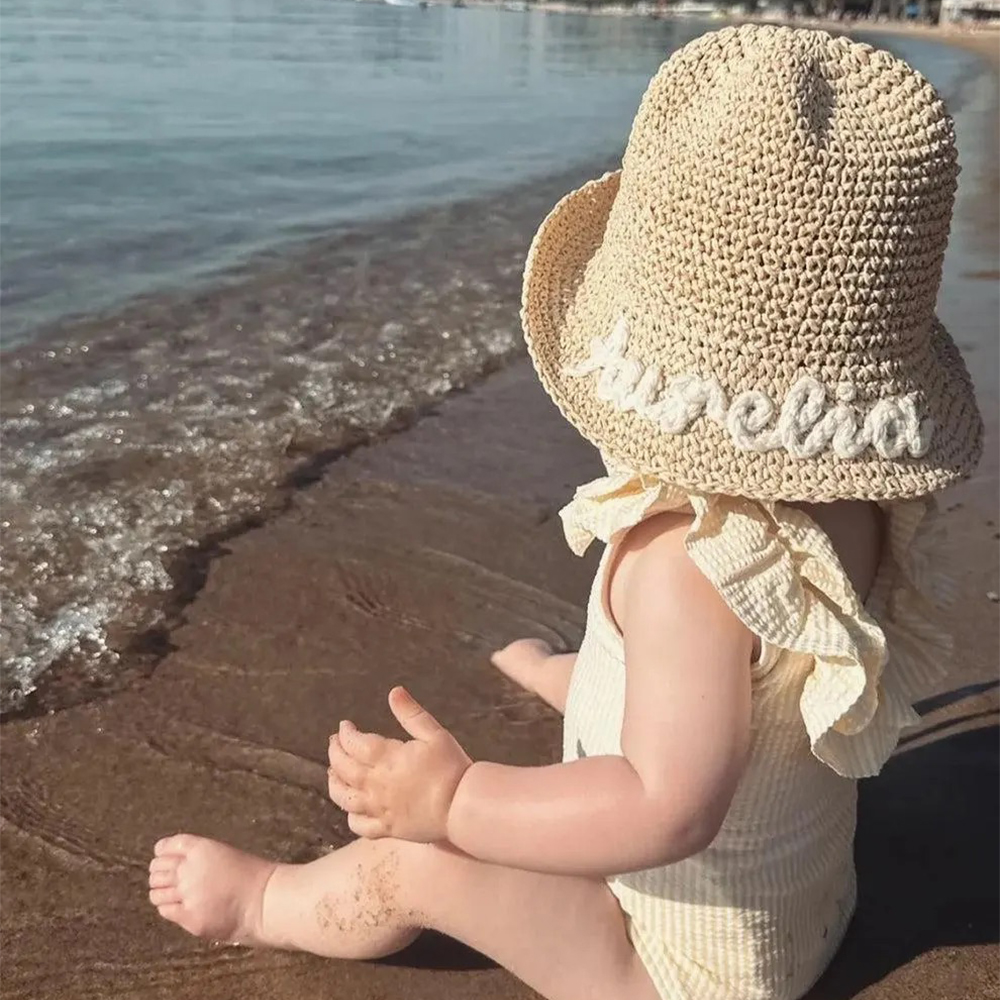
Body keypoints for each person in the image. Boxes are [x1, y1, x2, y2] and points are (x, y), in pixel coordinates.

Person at [146, 24, 983, 1000]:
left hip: (675, 971)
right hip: (807, 918)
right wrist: (566, 676)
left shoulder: (684, 560)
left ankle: (265, 902)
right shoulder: (847, 509)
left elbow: (666, 804)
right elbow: (730, 700)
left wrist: (455, 801)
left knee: (412, 865)